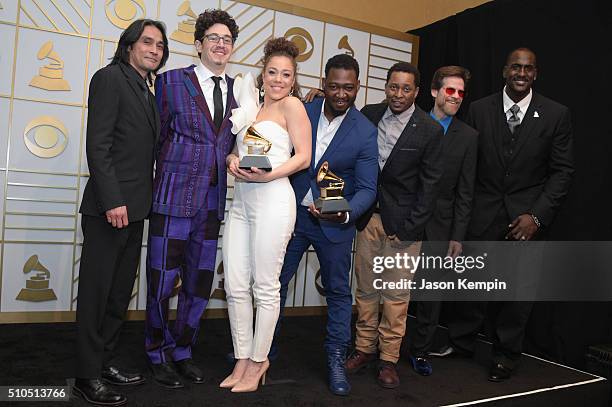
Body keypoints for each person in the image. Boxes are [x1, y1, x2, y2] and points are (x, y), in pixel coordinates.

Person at [449, 47, 574, 381]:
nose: (522, 73)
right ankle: (461, 341)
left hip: (526, 218)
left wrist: (536, 216)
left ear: (535, 74)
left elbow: (562, 172)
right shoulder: (478, 109)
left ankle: (506, 354)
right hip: (482, 211)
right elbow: (468, 163)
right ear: (505, 71)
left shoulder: (555, 114)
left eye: (528, 68)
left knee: (518, 292)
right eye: (516, 67)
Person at [270, 54, 378, 396]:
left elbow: (368, 189)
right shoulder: (304, 109)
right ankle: (262, 352)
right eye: (333, 86)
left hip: (335, 225)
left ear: (358, 86)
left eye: (348, 87)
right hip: (292, 215)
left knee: (337, 293)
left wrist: (344, 212)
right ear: (324, 83)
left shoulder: (365, 131)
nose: (341, 93)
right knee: (275, 284)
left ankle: (335, 358)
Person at [74, 19, 169, 406]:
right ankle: (86, 375)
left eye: (160, 46)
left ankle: (105, 362)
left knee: (118, 295)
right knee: (97, 296)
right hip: (108, 209)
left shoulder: (147, 88)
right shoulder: (110, 78)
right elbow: (98, 146)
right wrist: (113, 201)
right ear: (129, 44)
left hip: (135, 211)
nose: (154, 50)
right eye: (147, 42)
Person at [144, 9, 239, 388]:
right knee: (162, 284)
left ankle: (182, 352)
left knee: (198, 287)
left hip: (212, 204)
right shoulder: (168, 83)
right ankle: (156, 353)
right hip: (172, 200)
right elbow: (155, 138)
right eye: (213, 38)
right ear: (198, 44)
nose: (220, 45)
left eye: (227, 40)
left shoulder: (240, 90)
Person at [220, 37, 312, 393]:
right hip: (241, 203)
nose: (278, 79)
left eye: (285, 74)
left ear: (293, 78)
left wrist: (271, 174)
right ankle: (242, 357)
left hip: (274, 199)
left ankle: (259, 362)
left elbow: (303, 157)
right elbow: (235, 148)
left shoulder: (293, 107)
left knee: (266, 287)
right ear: (263, 72)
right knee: (235, 284)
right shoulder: (250, 106)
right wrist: (231, 160)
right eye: (272, 72)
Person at [346, 62, 444, 389]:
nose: (398, 94)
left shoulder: (429, 129)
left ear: (416, 92)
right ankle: (363, 349)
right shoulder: (368, 115)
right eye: (393, 87)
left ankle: (388, 359)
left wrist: (410, 228)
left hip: (404, 228)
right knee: (366, 290)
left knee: (396, 297)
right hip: (368, 219)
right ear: (385, 86)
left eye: (405, 89)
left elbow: (430, 187)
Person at [401, 66, 478, 376]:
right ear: (434, 91)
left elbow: (466, 191)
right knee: (395, 289)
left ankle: (419, 351)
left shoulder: (469, 137)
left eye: (461, 92)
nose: (456, 97)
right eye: (450, 90)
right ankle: (384, 347)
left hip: (442, 225)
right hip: (404, 218)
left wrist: (457, 235)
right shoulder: (410, 121)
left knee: (431, 294)